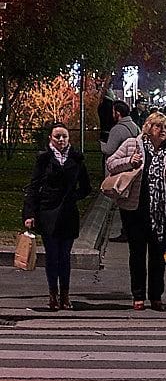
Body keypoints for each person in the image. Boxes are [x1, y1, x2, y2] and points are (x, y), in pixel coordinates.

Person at [105, 112, 166, 310]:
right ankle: (138, 295)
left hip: (160, 211)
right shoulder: (133, 144)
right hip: (135, 209)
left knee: (158, 255)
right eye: (160, 127)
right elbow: (110, 163)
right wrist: (129, 162)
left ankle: (156, 296)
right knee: (137, 253)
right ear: (149, 128)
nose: (164, 132)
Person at [23, 123, 91, 311]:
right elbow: (33, 187)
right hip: (48, 212)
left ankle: (65, 295)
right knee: (52, 256)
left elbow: (86, 187)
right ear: (50, 139)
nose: (61, 140)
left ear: (69, 138)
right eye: (57, 137)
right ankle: (52, 293)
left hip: (68, 213)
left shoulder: (77, 159)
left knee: (64, 257)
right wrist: (30, 213)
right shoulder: (44, 159)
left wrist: (73, 197)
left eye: (64, 137)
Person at [103, 100, 141, 243]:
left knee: (123, 202)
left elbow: (109, 150)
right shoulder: (134, 126)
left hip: (122, 170)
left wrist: (101, 144)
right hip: (133, 171)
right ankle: (129, 231)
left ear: (117, 113)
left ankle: (126, 232)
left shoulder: (117, 129)